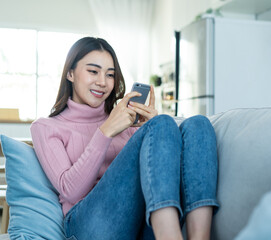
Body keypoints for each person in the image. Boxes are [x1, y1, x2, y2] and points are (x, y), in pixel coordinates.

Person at [30, 37, 219, 240]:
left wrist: (152, 131)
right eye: (93, 71)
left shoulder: (127, 122)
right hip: (88, 226)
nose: (102, 82)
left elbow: (150, 177)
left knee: (198, 124)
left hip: (140, 220)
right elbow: (70, 191)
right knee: (162, 124)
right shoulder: (46, 127)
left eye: (110, 75)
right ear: (70, 73)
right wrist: (105, 132)